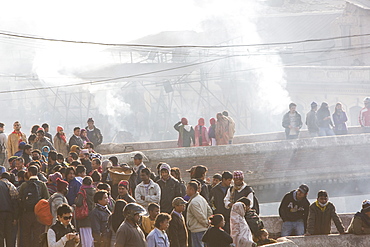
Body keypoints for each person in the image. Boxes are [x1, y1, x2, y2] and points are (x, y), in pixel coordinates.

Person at [18, 165, 50, 247]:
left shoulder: (24, 185)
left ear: (29, 173)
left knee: (26, 234)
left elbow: (19, 198)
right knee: (37, 234)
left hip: (26, 213)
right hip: (38, 215)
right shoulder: (42, 185)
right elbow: (46, 199)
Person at [186, 181, 212, 247]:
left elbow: (200, 216)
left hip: (197, 230)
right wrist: (209, 221)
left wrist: (206, 223)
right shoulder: (201, 198)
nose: (186, 190)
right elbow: (209, 211)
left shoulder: (194, 202)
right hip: (203, 229)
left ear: (191, 190)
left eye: (187, 188)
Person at [75, 176, 96, 247]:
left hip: (83, 217)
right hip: (93, 217)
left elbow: (78, 203)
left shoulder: (82, 191)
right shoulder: (94, 191)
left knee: (84, 238)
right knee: (90, 237)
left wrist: (75, 200)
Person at [0, 172, 18, 247]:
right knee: (9, 234)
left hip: (0, 212)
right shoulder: (11, 186)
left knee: (0, 234)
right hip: (10, 213)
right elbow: (15, 202)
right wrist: (15, 217)